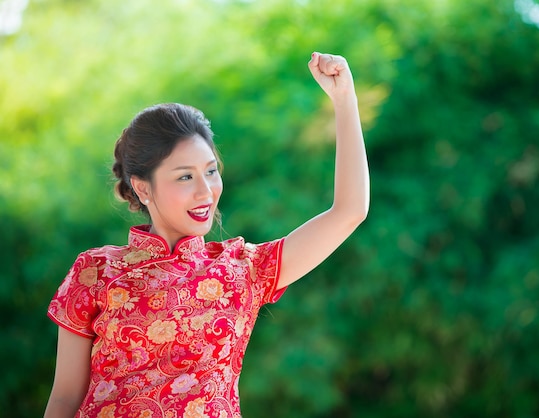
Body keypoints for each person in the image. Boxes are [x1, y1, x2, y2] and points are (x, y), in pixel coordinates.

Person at [44, 51, 369, 418]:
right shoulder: (95, 270)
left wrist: (345, 100)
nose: (205, 191)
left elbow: (349, 211)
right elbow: (64, 399)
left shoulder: (244, 269)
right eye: (185, 176)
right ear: (143, 188)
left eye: (211, 172)